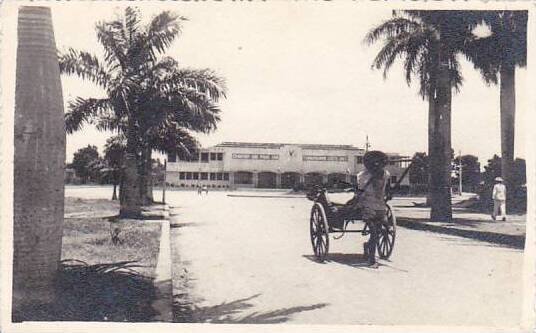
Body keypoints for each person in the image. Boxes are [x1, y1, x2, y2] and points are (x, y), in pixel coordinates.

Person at [357, 150, 390, 268]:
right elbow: (361, 191)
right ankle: (371, 259)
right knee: (375, 232)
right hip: (367, 205)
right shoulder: (362, 176)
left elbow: (387, 189)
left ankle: (367, 246)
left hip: (380, 205)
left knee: (378, 231)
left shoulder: (385, 174)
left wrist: (389, 193)